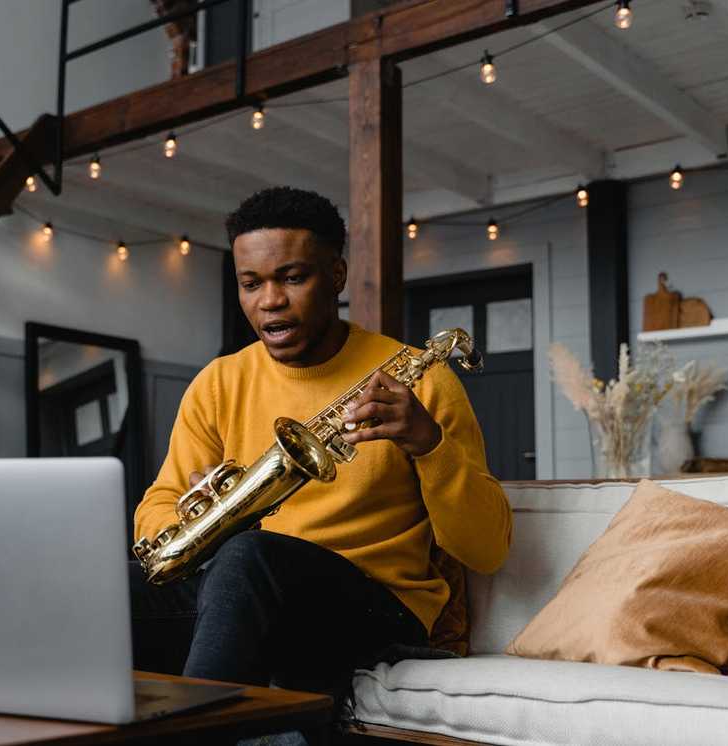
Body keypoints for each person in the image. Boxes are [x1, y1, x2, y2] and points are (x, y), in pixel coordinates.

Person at [130, 186, 512, 718]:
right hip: (243, 590)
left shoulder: (421, 380)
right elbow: (159, 504)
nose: (269, 301)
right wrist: (193, 526)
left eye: (292, 277)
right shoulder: (218, 382)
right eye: (251, 283)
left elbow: (487, 549)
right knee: (105, 586)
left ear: (336, 276)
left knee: (245, 558)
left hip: (378, 607)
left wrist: (428, 445)